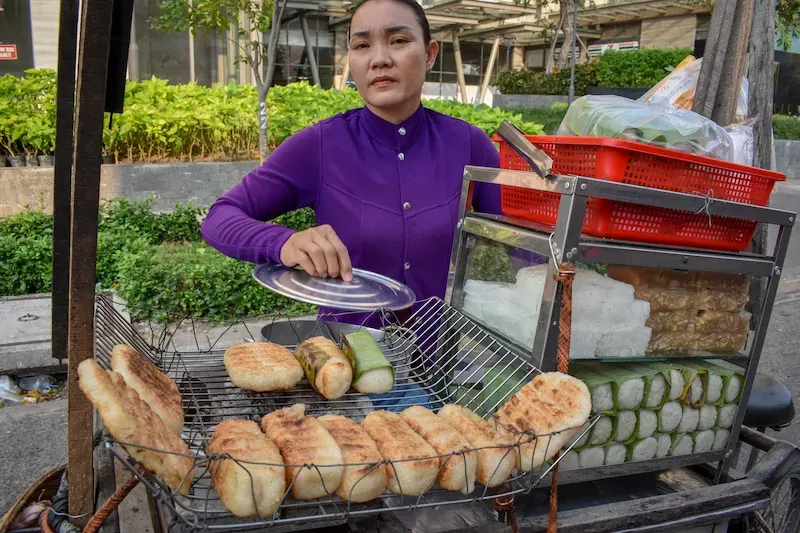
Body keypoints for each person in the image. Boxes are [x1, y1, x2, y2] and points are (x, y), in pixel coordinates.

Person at [201, 0, 505, 326]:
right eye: (362, 45)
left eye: (399, 41)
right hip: (346, 364)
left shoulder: (470, 144)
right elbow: (219, 218)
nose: (379, 59)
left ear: (430, 54)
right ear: (352, 61)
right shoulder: (320, 145)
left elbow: (521, 241)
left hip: (442, 363)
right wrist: (284, 242)